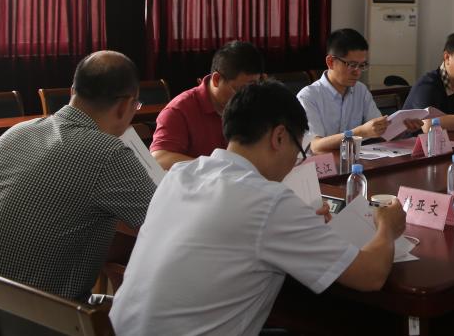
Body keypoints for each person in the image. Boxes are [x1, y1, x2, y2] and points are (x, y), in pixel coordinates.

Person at [110, 81, 407, 335]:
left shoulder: (181, 174)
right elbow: (370, 275)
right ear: (279, 137)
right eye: (298, 150)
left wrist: (298, 224)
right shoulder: (269, 201)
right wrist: (387, 227)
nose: (295, 161)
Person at [0, 51, 155, 303]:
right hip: (44, 317)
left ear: (72, 91)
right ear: (124, 105)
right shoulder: (107, 153)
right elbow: (164, 222)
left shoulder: (15, 133)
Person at [298, 28, 421, 154]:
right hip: (322, 164)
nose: (357, 72)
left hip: (354, 160)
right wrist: (359, 132)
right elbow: (316, 146)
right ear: (330, 62)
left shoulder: (360, 90)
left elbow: (381, 132)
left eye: (362, 65)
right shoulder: (308, 97)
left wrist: (403, 129)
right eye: (352, 65)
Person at [150, 40, 265, 169]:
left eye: (253, 88)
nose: (247, 97)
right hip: (201, 181)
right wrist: (214, 168)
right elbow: (160, 158)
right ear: (216, 79)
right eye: (240, 90)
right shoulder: (180, 110)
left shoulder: (253, 102)